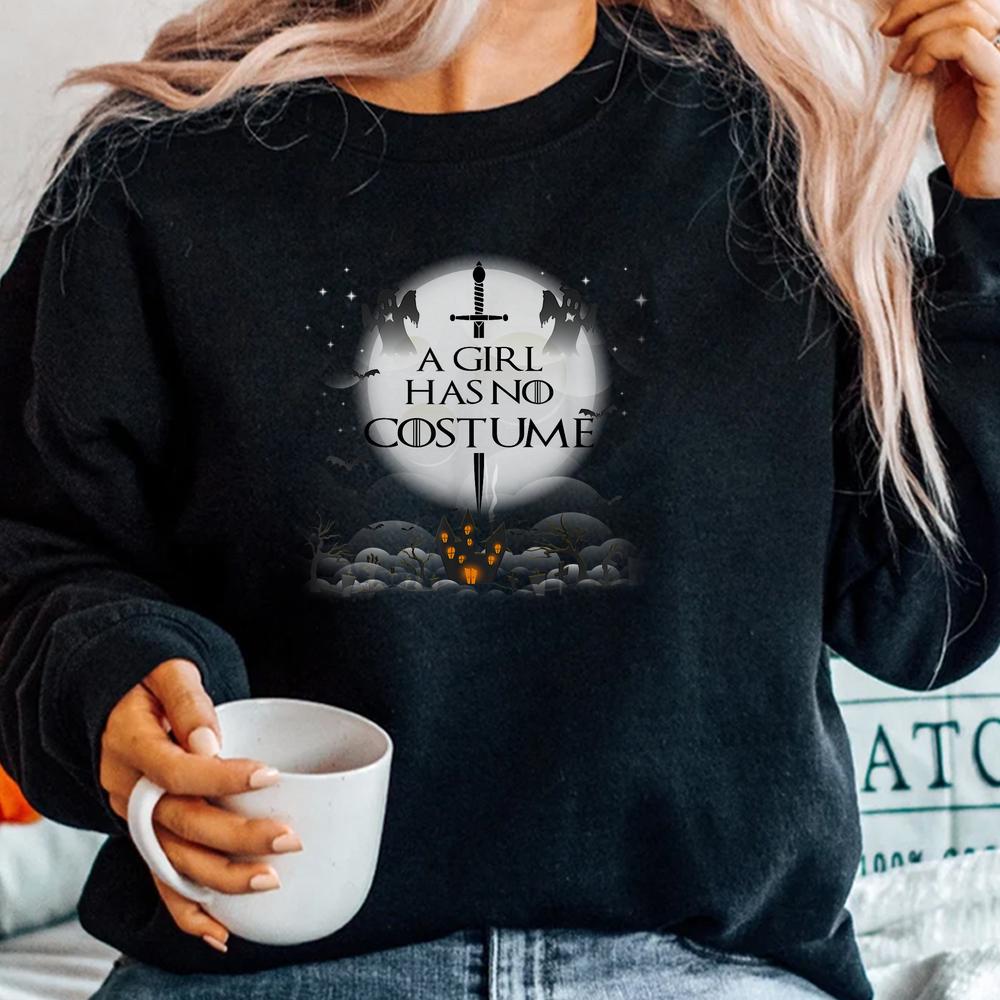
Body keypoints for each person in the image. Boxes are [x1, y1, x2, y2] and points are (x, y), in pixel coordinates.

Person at [1, 0, 999, 998]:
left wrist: (991, 213)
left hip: (692, 966)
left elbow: (922, 609)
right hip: (263, 966)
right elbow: (33, 554)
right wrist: (108, 680)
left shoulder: (782, 147)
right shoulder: (157, 172)